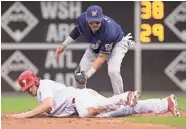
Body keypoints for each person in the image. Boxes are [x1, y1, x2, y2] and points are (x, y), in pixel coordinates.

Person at [7, 71, 181, 119]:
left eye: (30, 85)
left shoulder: (43, 85)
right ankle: (165, 104)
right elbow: (46, 109)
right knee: (124, 111)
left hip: (81, 99)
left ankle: (124, 96)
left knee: (85, 112)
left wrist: (26, 115)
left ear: (35, 81)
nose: (29, 89)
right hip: (84, 99)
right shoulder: (40, 92)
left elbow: (48, 105)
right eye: (27, 88)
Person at [55, 5, 136, 95]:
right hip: (97, 43)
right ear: (87, 20)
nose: (94, 25)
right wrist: (64, 45)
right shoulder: (83, 19)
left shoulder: (110, 31)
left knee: (113, 71)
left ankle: (121, 99)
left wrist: (86, 76)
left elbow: (101, 58)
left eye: (97, 22)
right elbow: (77, 30)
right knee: (79, 73)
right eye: (91, 22)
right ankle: (79, 100)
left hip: (118, 43)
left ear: (101, 19)